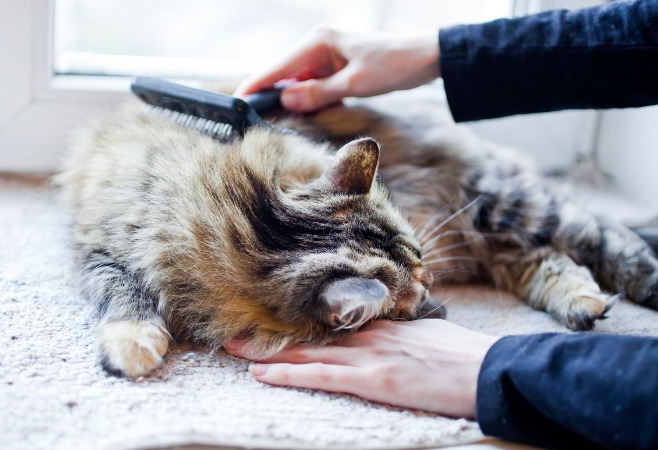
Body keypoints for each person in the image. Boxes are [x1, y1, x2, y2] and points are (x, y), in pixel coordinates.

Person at [227, 1, 658, 449]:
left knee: (574, 235)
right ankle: (531, 266)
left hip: (445, 173)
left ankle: (564, 259)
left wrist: (501, 366)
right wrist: (437, 53)